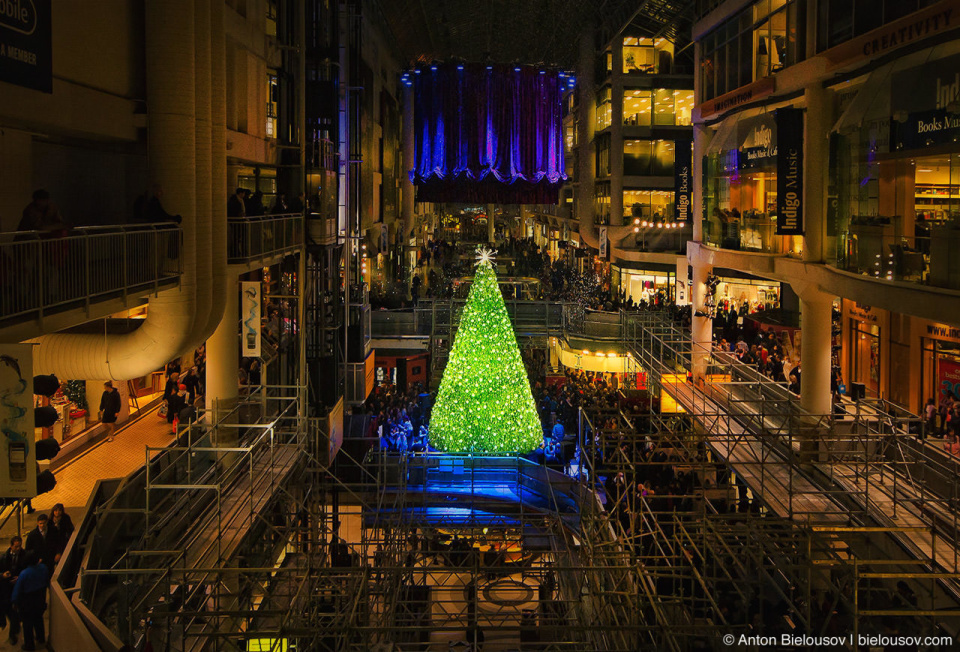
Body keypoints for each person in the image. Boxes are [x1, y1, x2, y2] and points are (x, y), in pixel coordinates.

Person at [11, 552, 48, 651]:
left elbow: (17, 590)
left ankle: (29, 645)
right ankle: (41, 638)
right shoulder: (43, 568)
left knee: (27, 624)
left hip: (27, 601)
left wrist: (14, 601)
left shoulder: (24, 573)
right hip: (40, 598)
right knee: (38, 619)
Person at [0, 536, 25, 645]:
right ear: (11, 546)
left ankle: (13, 634)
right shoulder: (3, 558)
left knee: (14, 613)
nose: (18, 548)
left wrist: (20, 577)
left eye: (20, 546)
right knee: (8, 612)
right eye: (16, 546)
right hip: (5, 591)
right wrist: (3, 575)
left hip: (17, 590)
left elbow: (27, 569)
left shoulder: (24, 555)